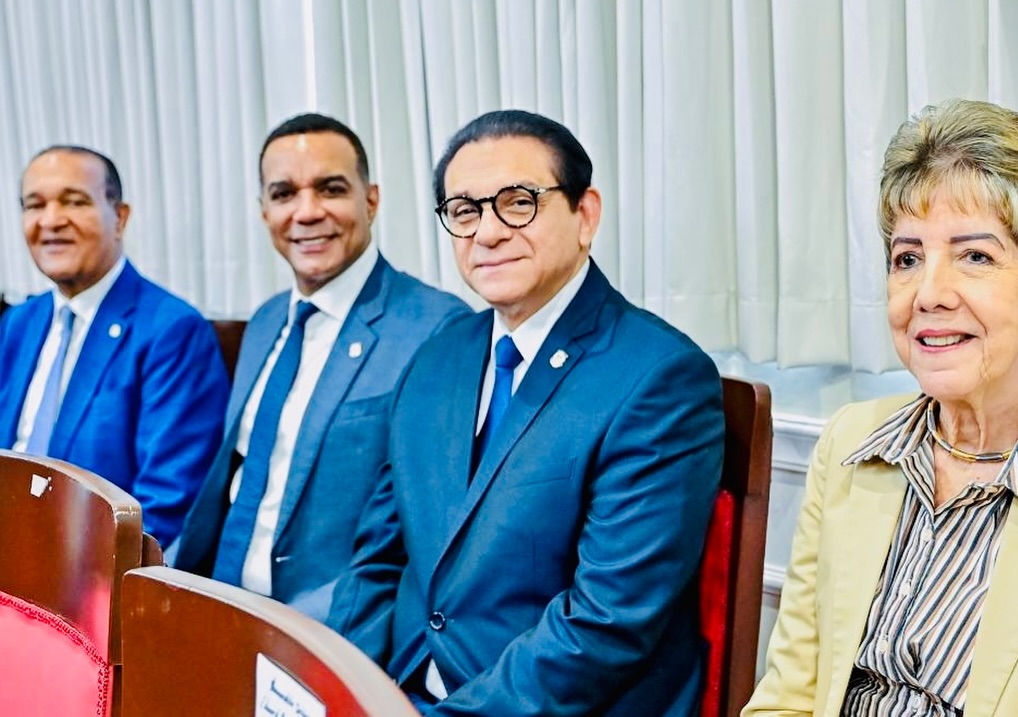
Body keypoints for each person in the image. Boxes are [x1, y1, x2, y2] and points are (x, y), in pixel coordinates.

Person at [327, 109, 725, 716]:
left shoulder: (659, 377)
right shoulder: (436, 359)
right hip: (400, 693)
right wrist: (340, 695)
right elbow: (377, 560)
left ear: (585, 215)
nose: (488, 232)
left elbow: (605, 624)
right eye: (465, 210)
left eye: (518, 203)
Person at [744, 99, 1018, 716]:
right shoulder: (850, 444)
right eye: (908, 258)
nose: (928, 294)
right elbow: (788, 695)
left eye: (975, 256)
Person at [172, 113, 469, 621]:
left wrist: (293, 635)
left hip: (328, 630)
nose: (307, 212)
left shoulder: (437, 328)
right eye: (284, 194)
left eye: (331, 189)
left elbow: (418, 536)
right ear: (264, 212)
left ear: (370, 201)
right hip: (216, 606)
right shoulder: (266, 321)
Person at [0, 145, 228, 548]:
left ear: (119, 218)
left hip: (90, 568)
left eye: (75, 201)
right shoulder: (20, 322)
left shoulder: (172, 330)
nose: (51, 220)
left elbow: (164, 506)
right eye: (35, 205)